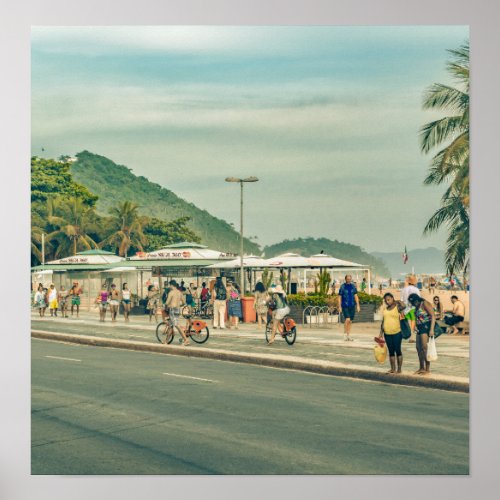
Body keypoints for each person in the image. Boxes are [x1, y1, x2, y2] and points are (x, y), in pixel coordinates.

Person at [408, 293, 436, 375]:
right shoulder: (416, 306)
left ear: (416, 300)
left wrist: (431, 329)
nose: (412, 304)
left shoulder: (425, 303)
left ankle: (427, 369)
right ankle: (421, 367)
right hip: (419, 327)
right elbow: (417, 317)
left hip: (426, 326)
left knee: (424, 348)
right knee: (418, 348)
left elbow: (433, 316)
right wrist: (416, 326)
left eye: (412, 302)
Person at [379, 293, 406, 374]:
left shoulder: (397, 307)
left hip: (397, 332)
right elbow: (383, 321)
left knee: (398, 350)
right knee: (391, 351)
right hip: (387, 333)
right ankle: (392, 369)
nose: (387, 302)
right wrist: (381, 333)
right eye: (386, 300)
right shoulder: (386, 309)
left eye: (388, 299)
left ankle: (399, 369)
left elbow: (404, 306)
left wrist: (397, 301)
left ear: (392, 298)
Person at [165, 280, 189, 345]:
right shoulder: (179, 292)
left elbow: (167, 302)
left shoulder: (171, 292)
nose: (169, 287)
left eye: (169, 285)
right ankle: (166, 341)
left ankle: (186, 340)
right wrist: (178, 305)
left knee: (177, 325)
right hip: (177, 310)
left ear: (171, 285)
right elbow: (184, 302)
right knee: (170, 325)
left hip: (172, 310)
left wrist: (165, 306)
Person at [338, 275, 360, 341]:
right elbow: (339, 297)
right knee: (347, 319)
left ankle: (348, 335)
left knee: (350, 321)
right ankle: (344, 334)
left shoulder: (353, 286)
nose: (349, 280)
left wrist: (358, 305)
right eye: (348, 279)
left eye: (350, 279)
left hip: (352, 305)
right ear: (345, 279)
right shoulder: (342, 287)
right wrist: (339, 306)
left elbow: (356, 296)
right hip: (345, 305)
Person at [400, 275, 420, 343]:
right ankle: (412, 337)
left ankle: (409, 336)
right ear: (414, 282)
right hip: (413, 307)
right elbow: (419, 299)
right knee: (413, 322)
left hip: (405, 308)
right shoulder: (416, 289)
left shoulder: (404, 289)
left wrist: (401, 310)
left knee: (408, 322)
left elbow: (401, 300)